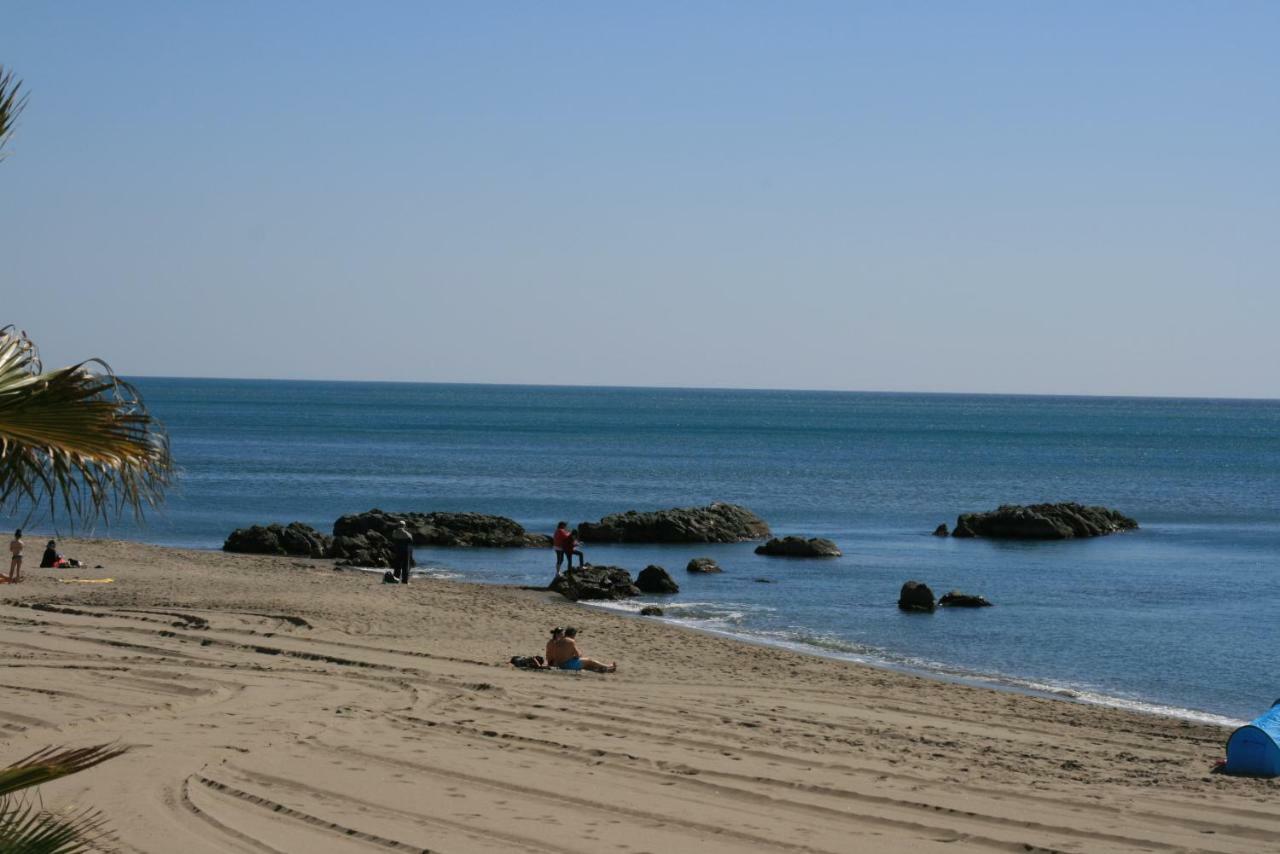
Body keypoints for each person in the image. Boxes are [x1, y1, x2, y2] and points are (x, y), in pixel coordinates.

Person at [545, 626, 616, 673]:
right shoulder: (570, 641)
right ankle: (608, 666)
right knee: (589, 660)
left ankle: (604, 670)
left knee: (585, 665)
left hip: (559, 664)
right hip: (565, 665)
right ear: (573, 634)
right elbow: (578, 655)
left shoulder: (556, 641)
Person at [389, 520, 414, 584]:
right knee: (405, 566)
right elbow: (411, 539)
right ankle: (404, 580)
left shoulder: (394, 532)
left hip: (398, 550)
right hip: (405, 550)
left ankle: (396, 579)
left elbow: (393, 538)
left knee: (397, 566)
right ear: (404, 526)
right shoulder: (406, 533)